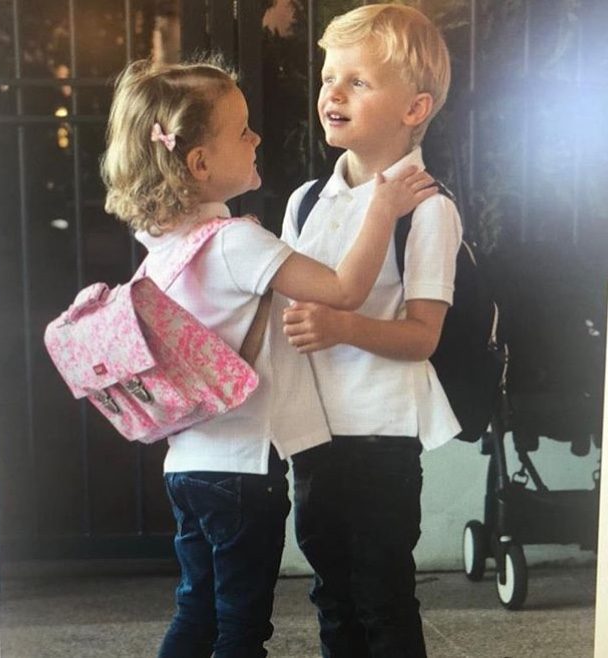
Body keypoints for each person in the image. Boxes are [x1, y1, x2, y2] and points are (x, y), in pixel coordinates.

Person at [100, 58, 436, 658]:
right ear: (199, 164)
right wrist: (383, 210)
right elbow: (344, 290)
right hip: (242, 474)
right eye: (242, 131)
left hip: (185, 467)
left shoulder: (161, 247)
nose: (257, 138)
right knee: (240, 629)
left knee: (195, 611)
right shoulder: (236, 242)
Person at [280, 4, 463, 657]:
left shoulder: (428, 209)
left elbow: (423, 337)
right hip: (314, 430)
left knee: (382, 596)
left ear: (414, 108)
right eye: (330, 77)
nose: (333, 92)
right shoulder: (305, 201)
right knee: (332, 594)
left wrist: (341, 325)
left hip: (381, 432)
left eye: (358, 81)